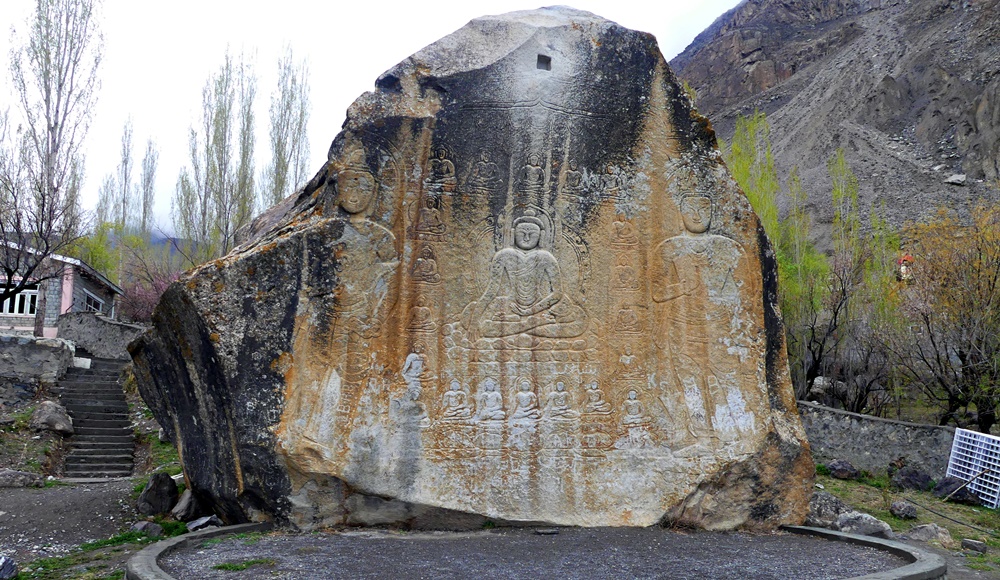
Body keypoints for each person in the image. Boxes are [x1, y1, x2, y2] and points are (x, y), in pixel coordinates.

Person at [464, 209, 585, 339]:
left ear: (541, 236)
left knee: (580, 318)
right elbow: (491, 291)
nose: (526, 238)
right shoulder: (504, 256)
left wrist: (530, 311)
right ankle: (534, 324)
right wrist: (474, 321)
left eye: (532, 234)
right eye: (522, 233)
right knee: (468, 316)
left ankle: (519, 325)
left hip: (539, 306)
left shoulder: (546, 257)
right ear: (512, 234)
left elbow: (557, 293)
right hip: (511, 305)